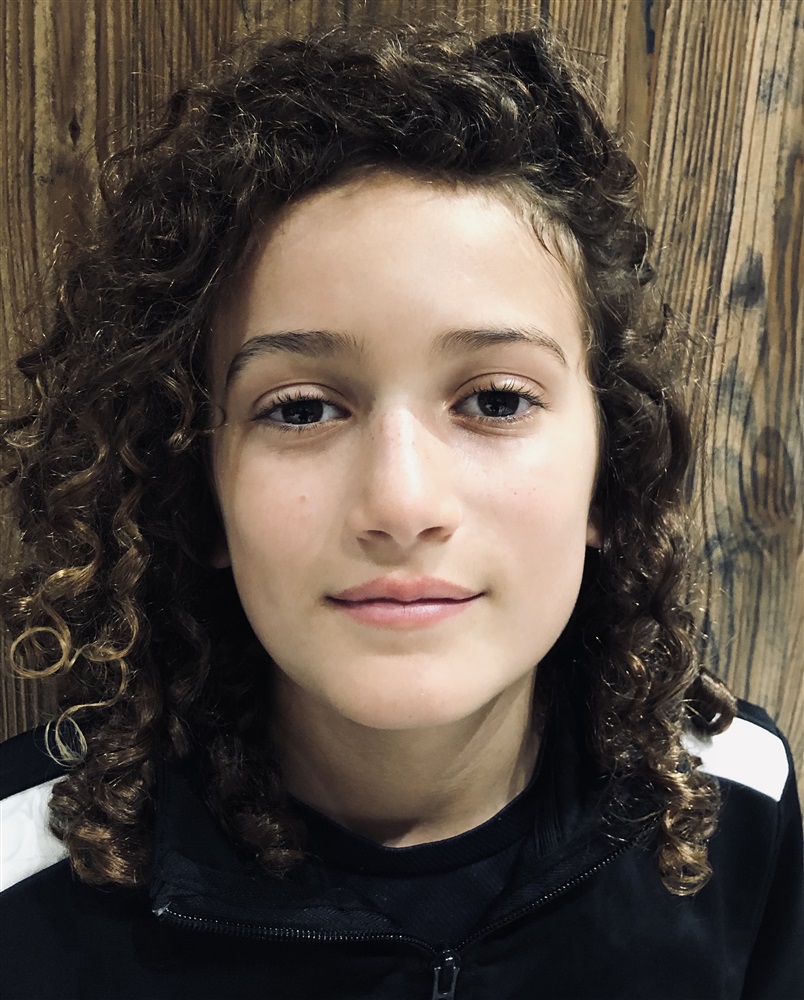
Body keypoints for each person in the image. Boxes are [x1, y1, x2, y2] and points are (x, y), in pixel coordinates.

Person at [0, 21, 801, 1000]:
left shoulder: (736, 796)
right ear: (198, 493)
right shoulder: (22, 882)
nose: (401, 502)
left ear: (610, 474)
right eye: (301, 409)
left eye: (496, 399)